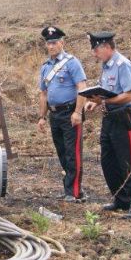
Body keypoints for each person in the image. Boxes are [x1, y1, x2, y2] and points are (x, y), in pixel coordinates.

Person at [84, 32, 131, 219]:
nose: (94, 54)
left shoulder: (123, 65)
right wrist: (95, 101)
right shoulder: (106, 66)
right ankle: (122, 199)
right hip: (109, 118)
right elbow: (108, 92)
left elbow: (129, 95)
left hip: (123, 118)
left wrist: (106, 101)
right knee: (109, 161)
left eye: (96, 50)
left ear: (106, 47)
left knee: (130, 163)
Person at [36, 26, 88, 202]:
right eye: (48, 43)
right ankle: (70, 188)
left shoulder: (72, 63)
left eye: (54, 42)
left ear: (62, 43)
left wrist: (77, 112)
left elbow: (82, 87)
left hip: (70, 113)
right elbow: (43, 94)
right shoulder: (45, 67)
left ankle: (73, 192)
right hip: (55, 115)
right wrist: (42, 117)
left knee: (73, 153)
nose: (51, 46)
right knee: (62, 153)